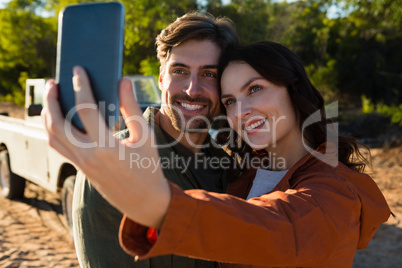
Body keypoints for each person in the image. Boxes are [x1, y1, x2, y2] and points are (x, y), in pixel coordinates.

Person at [42, 40, 390, 267]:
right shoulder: (240, 172)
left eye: (255, 89)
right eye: (230, 100)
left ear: (293, 89)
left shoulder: (334, 188)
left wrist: (160, 205)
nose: (241, 110)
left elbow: (282, 229)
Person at [68, 12, 239, 267]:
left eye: (209, 74)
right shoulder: (112, 164)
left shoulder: (234, 172)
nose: (192, 89)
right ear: (161, 78)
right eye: (179, 71)